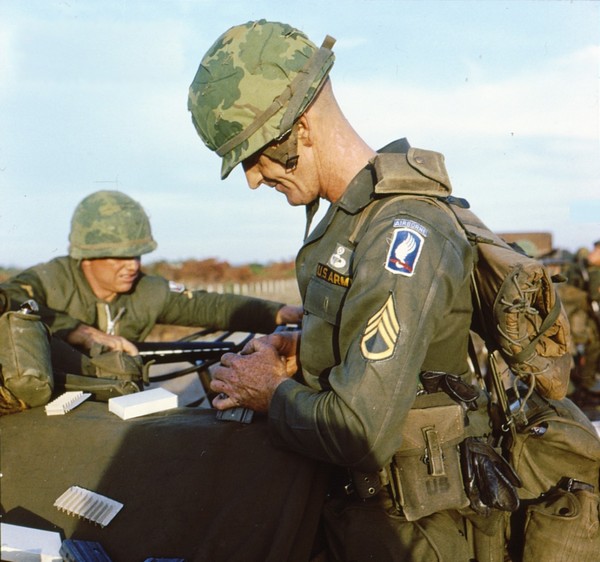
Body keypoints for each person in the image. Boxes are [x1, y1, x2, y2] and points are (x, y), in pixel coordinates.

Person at [187, 20, 500, 561]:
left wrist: (271, 392)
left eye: (255, 155)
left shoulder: (400, 235)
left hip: (409, 533)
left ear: (299, 129)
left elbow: (360, 432)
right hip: (359, 510)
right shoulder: (353, 223)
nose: (254, 179)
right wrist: (303, 357)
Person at [1, 190, 302, 385]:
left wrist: (278, 313)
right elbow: (8, 301)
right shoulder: (50, 279)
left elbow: (207, 306)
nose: (132, 265)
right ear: (86, 257)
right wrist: (77, 330)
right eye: (119, 256)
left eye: (136, 254)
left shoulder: (145, 290)